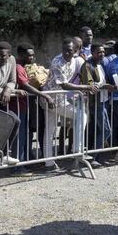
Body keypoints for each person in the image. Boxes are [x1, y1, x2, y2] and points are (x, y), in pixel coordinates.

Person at [41, 38, 97, 169]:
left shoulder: (74, 60)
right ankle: (77, 149)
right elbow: (65, 84)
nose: (67, 53)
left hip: (59, 99)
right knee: (81, 116)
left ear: (75, 51)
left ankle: (49, 162)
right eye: (65, 50)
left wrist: (85, 86)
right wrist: (86, 88)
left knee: (50, 131)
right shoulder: (57, 62)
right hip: (52, 99)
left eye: (70, 51)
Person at [10, 43, 55, 175]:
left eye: (33, 55)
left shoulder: (25, 67)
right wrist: (44, 95)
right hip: (17, 106)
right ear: (21, 55)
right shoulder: (18, 67)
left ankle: (25, 161)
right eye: (29, 55)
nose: (32, 57)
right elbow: (25, 86)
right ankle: (17, 167)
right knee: (20, 137)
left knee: (26, 135)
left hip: (24, 106)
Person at [80, 43, 116, 168]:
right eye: (99, 52)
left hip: (103, 101)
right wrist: (105, 86)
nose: (102, 54)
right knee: (106, 130)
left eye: (103, 52)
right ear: (93, 52)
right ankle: (92, 156)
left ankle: (97, 156)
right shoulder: (87, 66)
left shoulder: (100, 64)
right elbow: (90, 85)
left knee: (100, 130)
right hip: (95, 102)